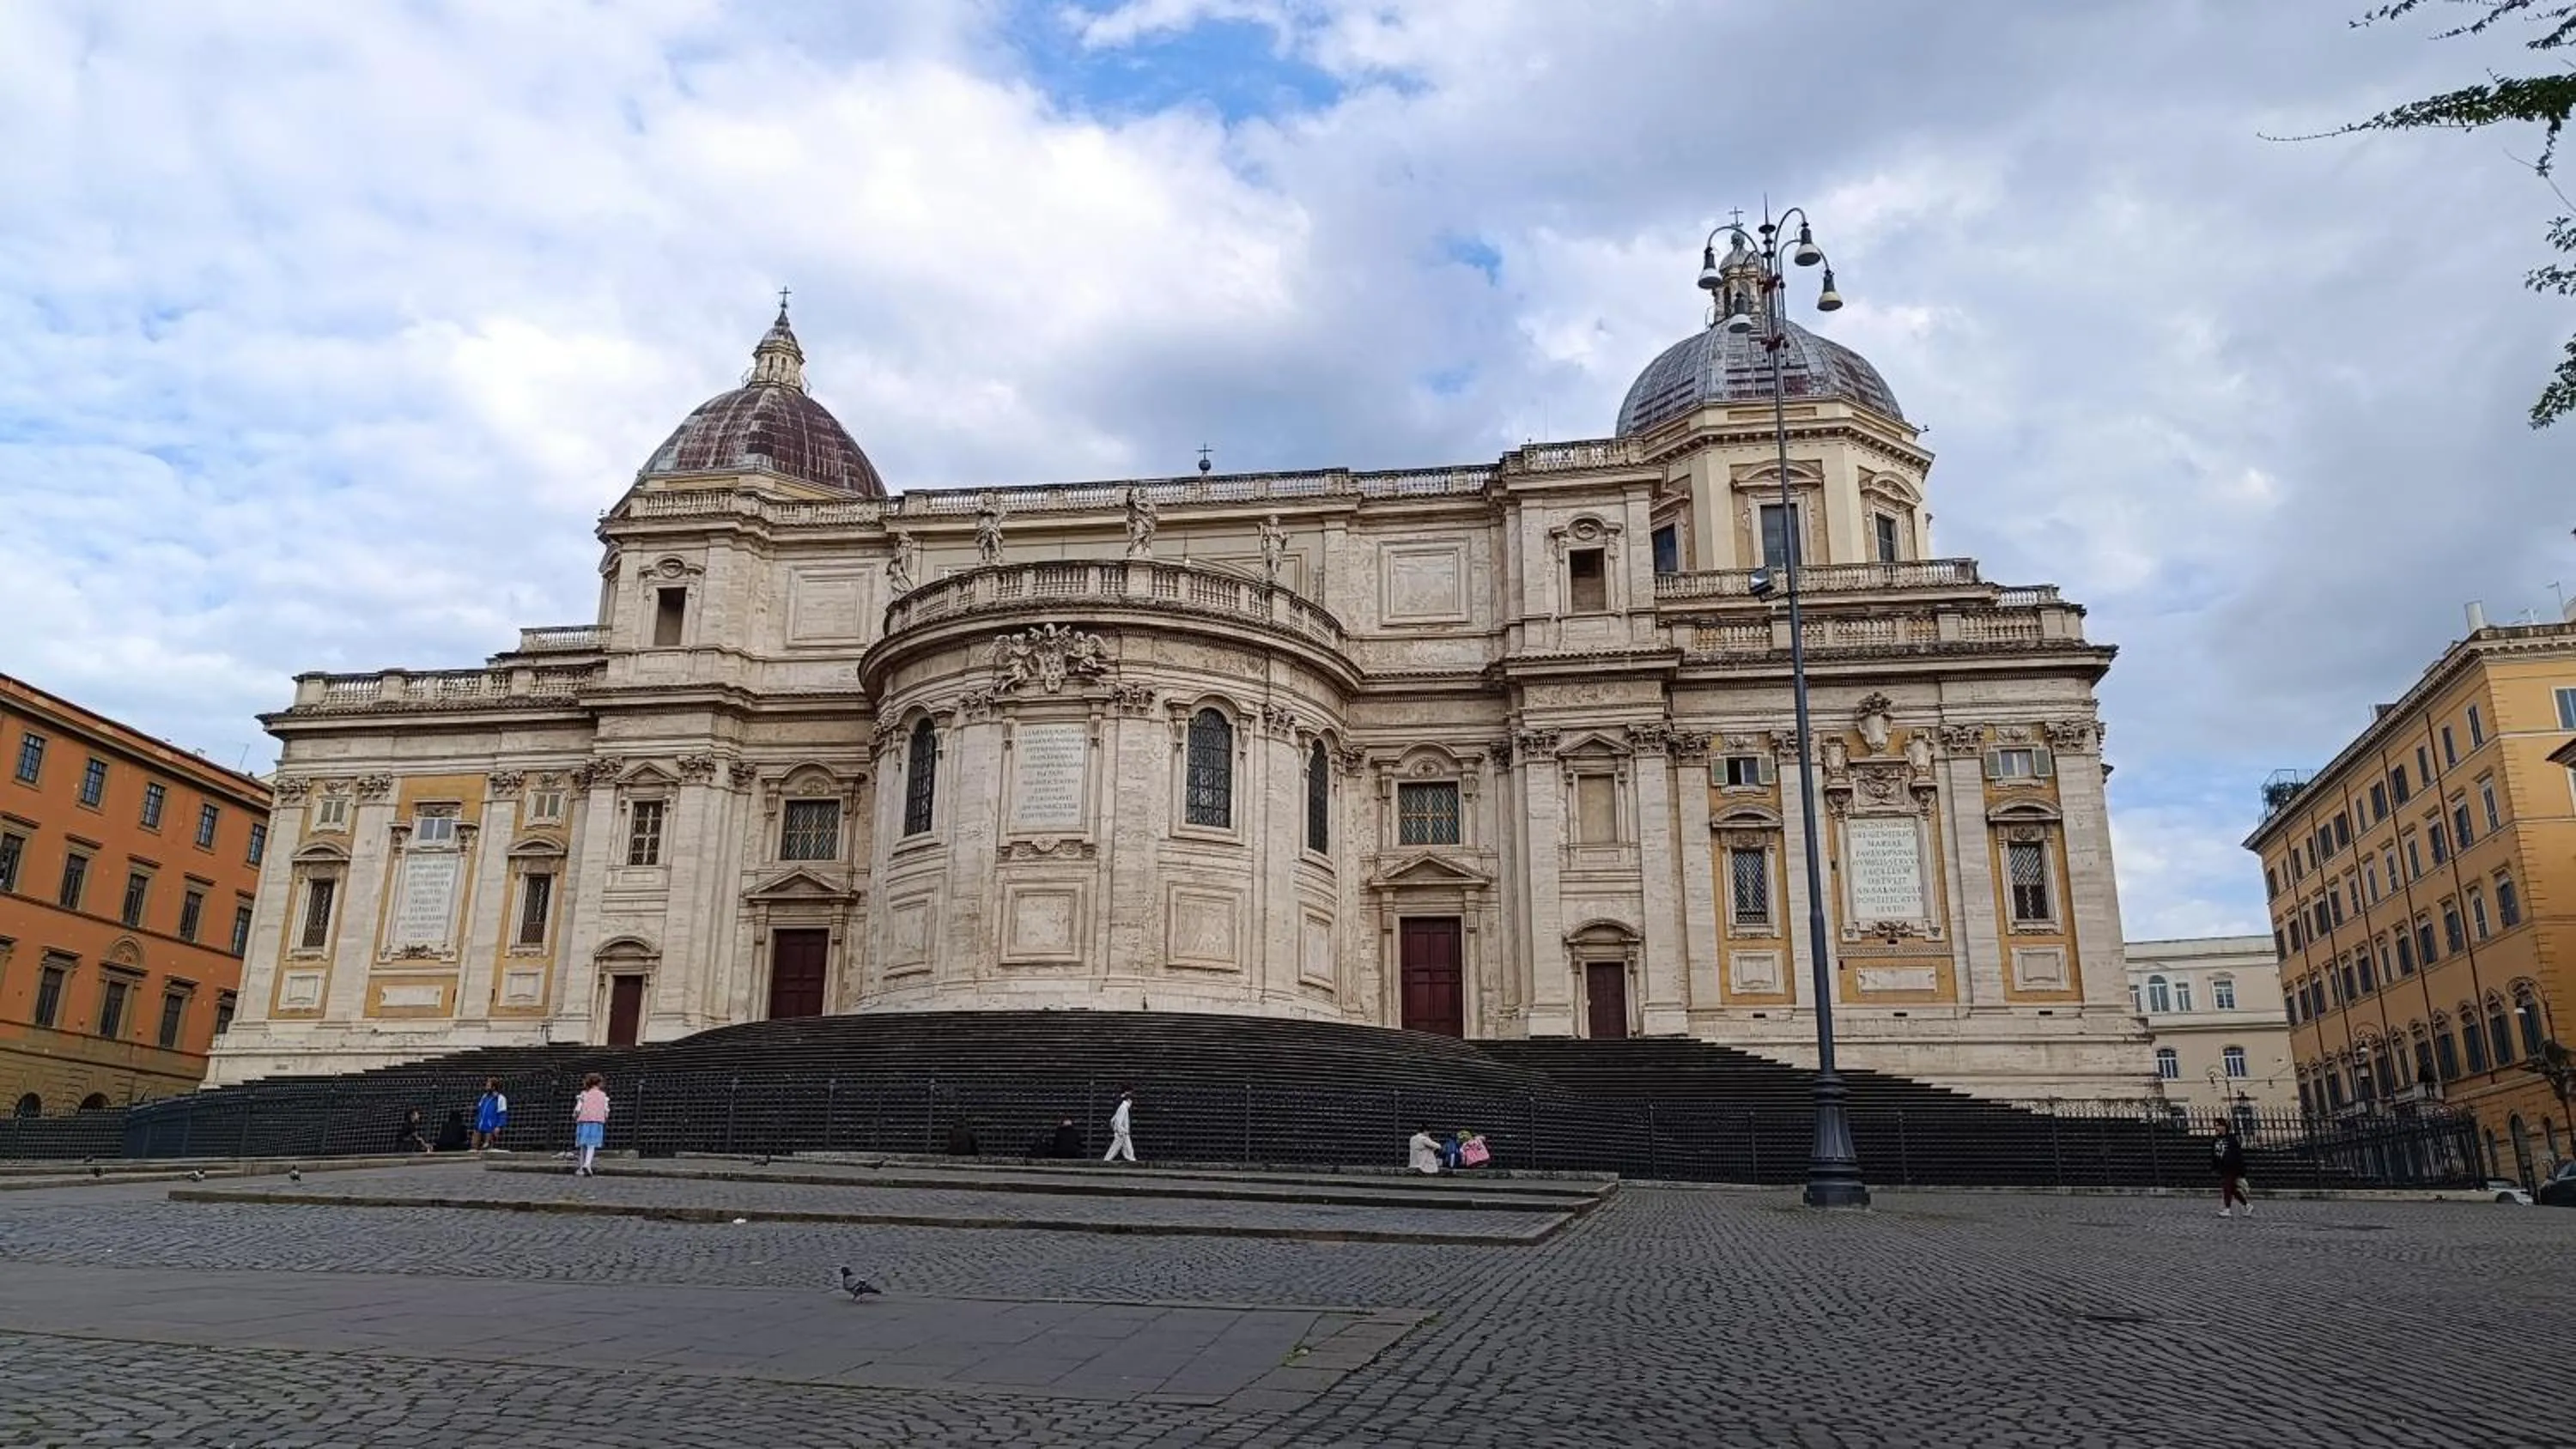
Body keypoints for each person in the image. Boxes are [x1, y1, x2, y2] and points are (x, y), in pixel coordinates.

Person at [572, 1073, 611, 1177]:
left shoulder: (584, 1094)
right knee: (591, 1144)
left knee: (583, 1145)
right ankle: (587, 1164)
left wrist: (575, 1115)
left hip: (584, 1120)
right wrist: (605, 1116)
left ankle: (581, 1167)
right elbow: (606, 1109)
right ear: (599, 1083)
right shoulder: (603, 1096)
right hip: (597, 1121)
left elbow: (578, 1108)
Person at [2213, 1119, 2251, 1217]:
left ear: (2225, 1127)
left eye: (2219, 1125)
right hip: (2223, 1167)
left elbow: (2237, 1154)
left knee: (2227, 1187)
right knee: (2232, 1189)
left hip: (2232, 1167)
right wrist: (2215, 1166)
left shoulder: (2231, 1139)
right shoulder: (2216, 1139)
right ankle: (2247, 1205)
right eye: (2216, 1126)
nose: (2217, 1128)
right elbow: (2214, 1154)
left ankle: (2227, 1209)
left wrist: (2240, 1169)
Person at [471, 1079, 509, 1152]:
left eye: (488, 1085)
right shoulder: (484, 1096)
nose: (486, 1087)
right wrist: (477, 1122)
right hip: (479, 1125)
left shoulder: (501, 1098)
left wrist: (498, 1126)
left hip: (490, 1127)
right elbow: (480, 1109)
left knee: (487, 1147)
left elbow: (502, 1113)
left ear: (493, 1087)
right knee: (474, 1146)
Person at [1103, 1089, 1137, 1164]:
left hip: (1123, 1132)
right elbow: (1119, 1121)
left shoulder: (1123, 1107)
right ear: (1129, 1100)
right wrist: (1121, 1130)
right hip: (1122, 1132)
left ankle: (1131, 1159)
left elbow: (1115, 1119)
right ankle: (1107, 1160)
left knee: (1127, 1148)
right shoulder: (1123, 1108)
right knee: (1117, 1148)